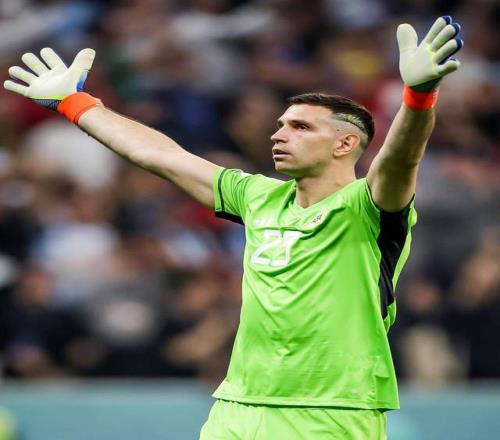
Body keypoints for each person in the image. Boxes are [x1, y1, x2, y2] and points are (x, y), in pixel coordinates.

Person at [4, 15, 463, 440]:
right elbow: (161, 156)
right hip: (238, 406)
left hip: (331, 410)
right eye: (280, 125)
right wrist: (76, 103)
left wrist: (418, 98)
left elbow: (401, 160)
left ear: (345, 144)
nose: (278, 134)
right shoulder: (258, 196)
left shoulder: (368, 207)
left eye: (300, 127)